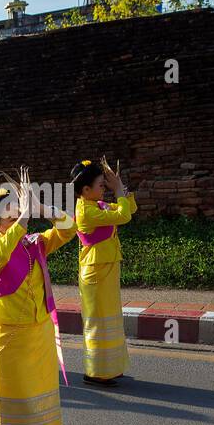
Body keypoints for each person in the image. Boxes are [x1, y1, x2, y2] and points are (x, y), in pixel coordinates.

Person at [0, 174, 77, 425]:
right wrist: (23, 218)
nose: (15, 213)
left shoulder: (36, 244)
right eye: (8, 211)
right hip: (10, 339)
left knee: (38, 403)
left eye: (15, 207)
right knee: (17, 403)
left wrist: (42, 206)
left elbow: (69, 227)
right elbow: (2, 256)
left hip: (40, 335)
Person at [72, 158, 134, 385]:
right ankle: (95, 372)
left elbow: (128, 208)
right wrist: (118, 192)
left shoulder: (96, 205)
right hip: (96, 273)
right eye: (100, 185)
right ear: (85, 190)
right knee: (98, 323)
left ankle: (109, 368)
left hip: (105, 268)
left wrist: (121, 190)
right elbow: (124, 215)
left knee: (110, 321)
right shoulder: (87, 212)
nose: (104, 188)